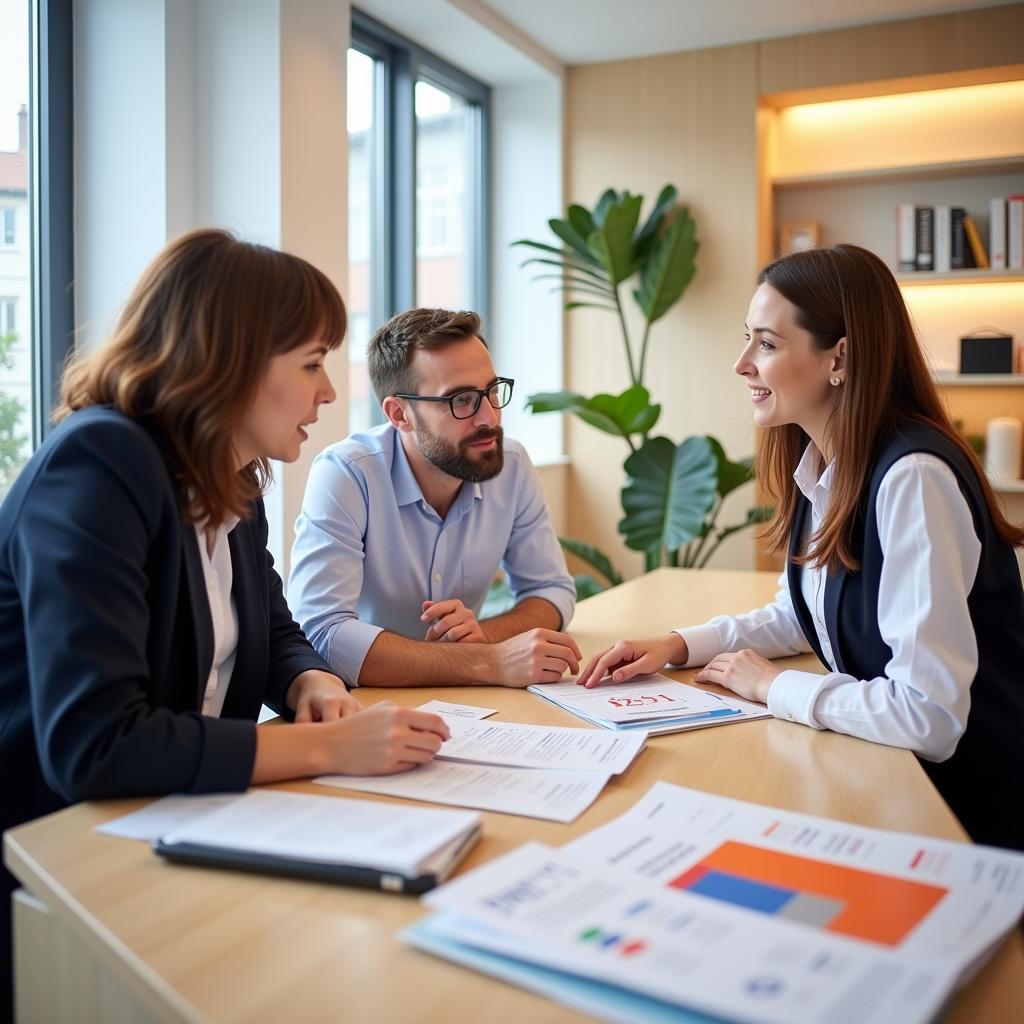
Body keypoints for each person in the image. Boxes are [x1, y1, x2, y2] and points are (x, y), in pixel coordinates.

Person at [0, 229, 449, 1010]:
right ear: (230, 359)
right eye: (311, 363)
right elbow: (95, 744)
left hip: (168, 821)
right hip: (54, 859)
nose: (328, 393)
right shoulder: (101, 462)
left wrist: (307, 675)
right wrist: (326, 746)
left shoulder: (229, 477)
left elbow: (270, 624)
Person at [576, 243, 1024, 852]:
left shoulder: (912, 477)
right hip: (892, 785)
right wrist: (679, 645)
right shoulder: (829, 464)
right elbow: (809, 611)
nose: (741, 364)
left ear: (839, 357)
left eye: (766, 343)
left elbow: (930, 718)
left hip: (965, 814)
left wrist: (771, 687)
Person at [288, 307, 581, 688]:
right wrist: (485, 661)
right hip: (366, 704)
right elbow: (323, 635)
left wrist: (483, 637)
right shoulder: (347, 474)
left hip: (467, 705)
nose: (489, 418)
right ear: (399, 414)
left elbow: (551, 591)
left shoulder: (510, 464)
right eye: (461, 401)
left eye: (492, 392)